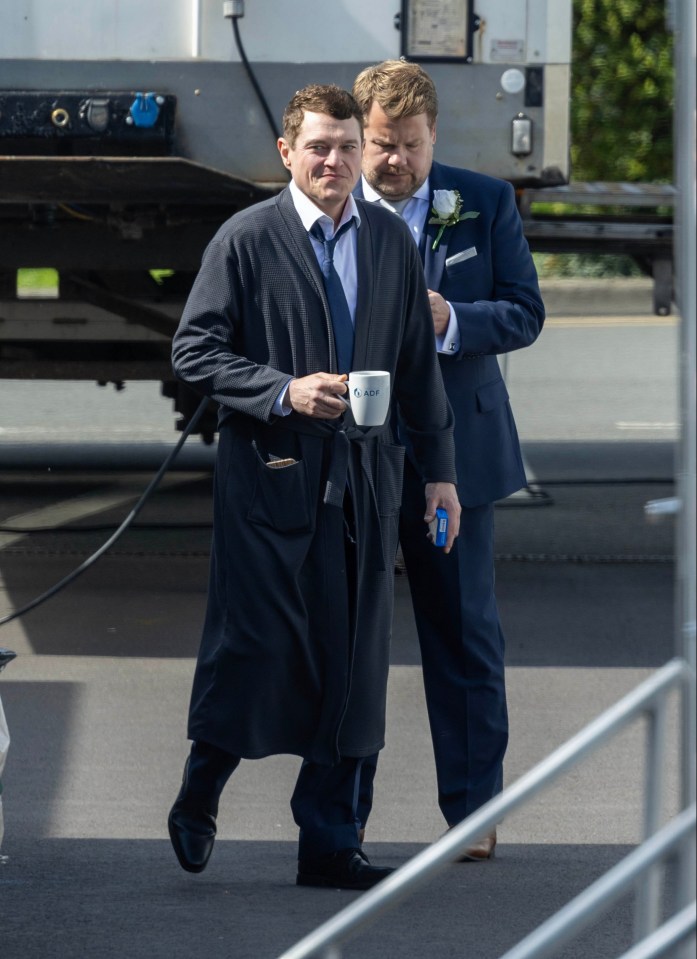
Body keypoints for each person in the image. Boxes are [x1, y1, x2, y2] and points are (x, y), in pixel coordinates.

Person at [168, 83, 461, 890]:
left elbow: (414, 371)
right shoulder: (246, 239)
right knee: (256, 648)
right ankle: (200, 791)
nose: (335, 161)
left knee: (356, 664)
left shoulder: (390, 245)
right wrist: (280, 391)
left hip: (366, 482)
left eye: (346, 146)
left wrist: (438, 473)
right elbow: (195, 352)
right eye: (319, 147)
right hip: (269, 483)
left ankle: (330, 842)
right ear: (287, 155)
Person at [352, 60, 545, 860]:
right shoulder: (325, 205)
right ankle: (340, 817)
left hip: (454, 460)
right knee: (346, 636)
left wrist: (451, 318)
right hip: (354, 457)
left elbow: (524, 312)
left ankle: (473, 814)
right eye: (379, 144)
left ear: (435, 137)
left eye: (409, 145)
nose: (393, 161)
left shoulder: (483, 201)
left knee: (462, 633)